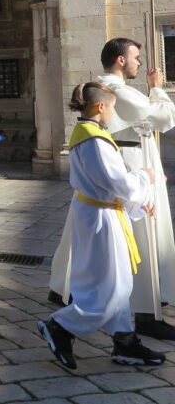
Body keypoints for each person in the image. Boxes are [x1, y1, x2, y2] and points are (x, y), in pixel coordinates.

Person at [49, 38, 175, 340]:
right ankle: (143, 312)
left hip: (132, 167)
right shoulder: (111, 89)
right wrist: (157, 88)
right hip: (130, 168)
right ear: (120, 60)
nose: (140, 63)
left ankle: (120, 328)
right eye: (136, 57)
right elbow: (164, 117)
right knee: (137, 244)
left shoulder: (115, 91)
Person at [38, 82, 164, 369]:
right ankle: (61, 327)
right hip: (100, 220)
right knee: (110, 288)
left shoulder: (93, 135)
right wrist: (144, 178)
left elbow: (108, 183)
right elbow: (115, 182)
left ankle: (125, 343)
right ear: (100, 106)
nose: (114, 112)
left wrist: (136, 203)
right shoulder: (93, 139)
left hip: (105, 214)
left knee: (119, 283)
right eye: (113, 107)